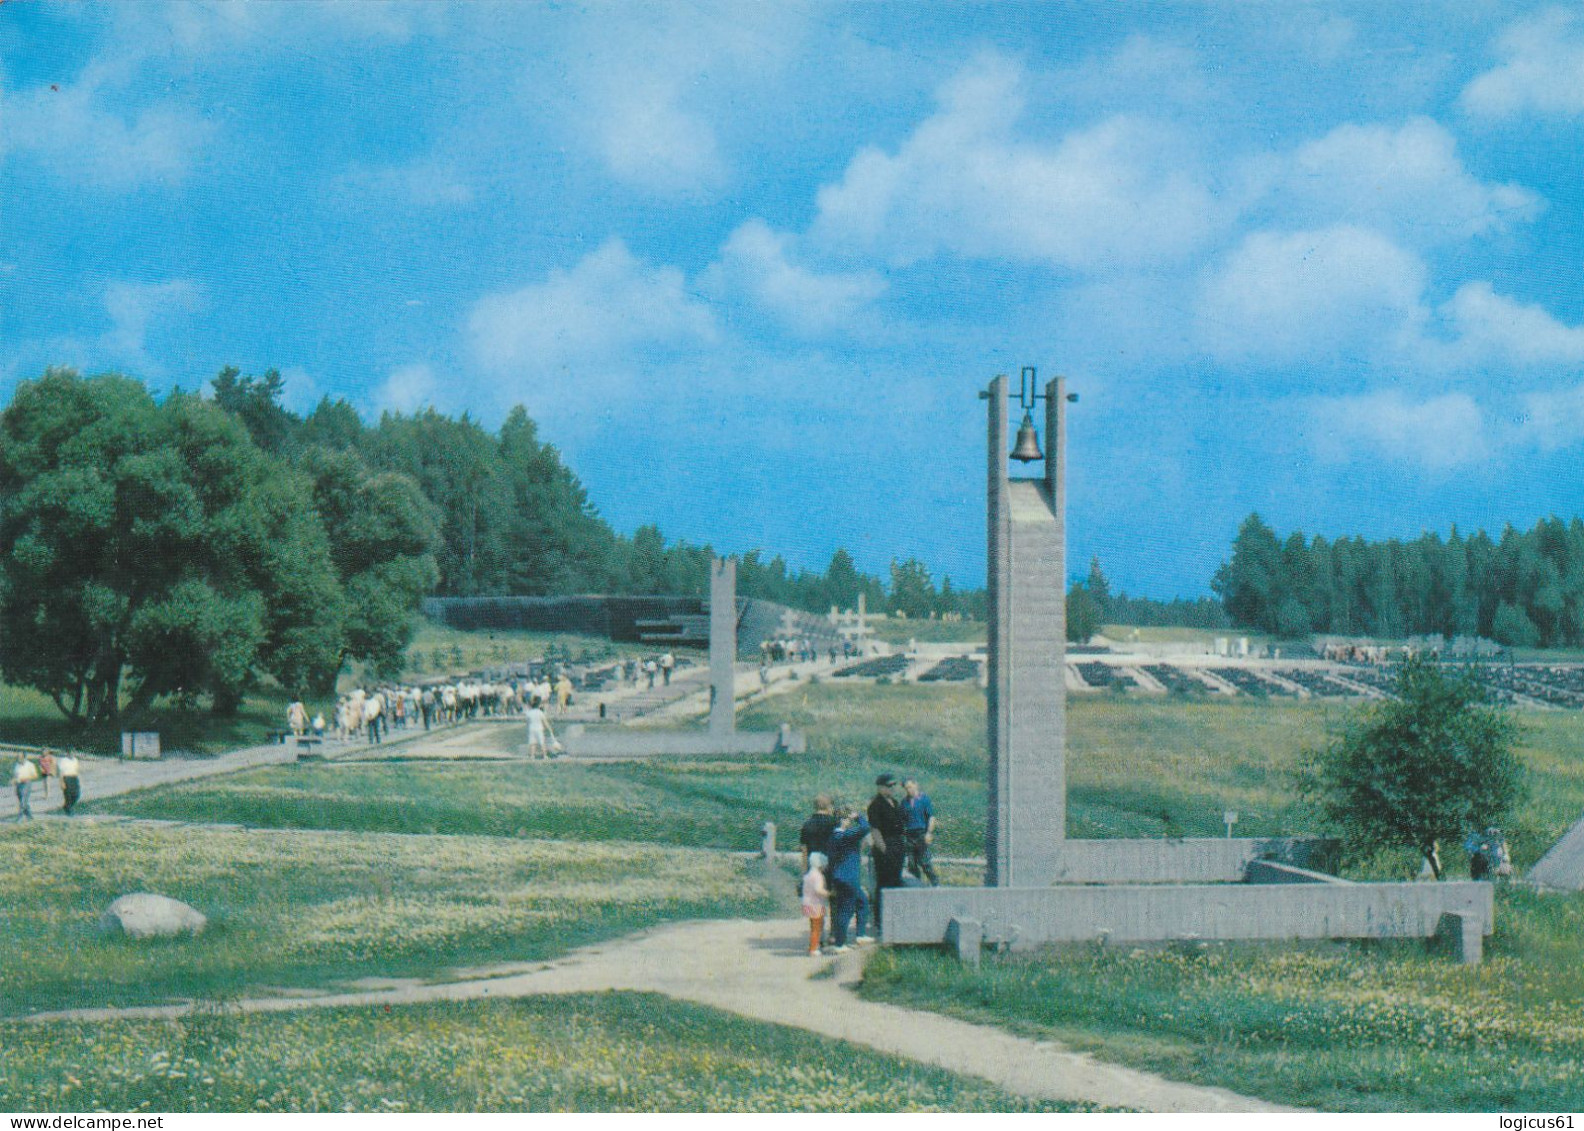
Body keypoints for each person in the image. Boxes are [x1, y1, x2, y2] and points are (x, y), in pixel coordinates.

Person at [825, 809, 873, 950]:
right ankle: (840, 944)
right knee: (845, 910)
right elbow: (865, 828)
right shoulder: (845, 836)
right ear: (843, 820)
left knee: (862, 901)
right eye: (847, 819)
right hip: (849, 877)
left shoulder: (832, 837)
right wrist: (858, 817)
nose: (849, 821)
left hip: (839, 877)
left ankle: (860, 935)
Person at [866, 772, 908, 928]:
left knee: (896, 881)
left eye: (893, 785)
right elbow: (875, 830)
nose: (892, 788)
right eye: (889, 786)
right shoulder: (876, 805)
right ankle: (880, 920)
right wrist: (884, 850)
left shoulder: (895, 803)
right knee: (884, 884)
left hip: (898, 845)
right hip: (885, 846)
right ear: (880, 787)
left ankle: (894, 918)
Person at [901, 778, 940, 886]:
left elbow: (931, 817)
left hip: (921, 834)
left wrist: (929, 833)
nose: (909, 790)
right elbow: (901, 820)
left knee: (925, 862)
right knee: (912, 864)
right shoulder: (904, 802)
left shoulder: (924, 799)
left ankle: (936, 884)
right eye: (906, 788)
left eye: (910, 787)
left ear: (915, 785)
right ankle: (916, 885)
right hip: (909, 835)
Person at [802, 852, 830, 957]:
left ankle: (812, 945)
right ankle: (813, 949)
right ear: (821, 865)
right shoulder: (818, 876)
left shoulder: (808, 875)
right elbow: (818, 890)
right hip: (816, 904)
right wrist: (828, 893)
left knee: (813, 926)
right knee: (817, 927)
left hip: (806, 903)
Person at [12, 752, 39, 820]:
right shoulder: (16, 765)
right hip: (19, 784)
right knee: (22, 800)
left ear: (24, 757)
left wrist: (26, 778)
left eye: (19, 757)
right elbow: (15, 775)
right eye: (17, 757)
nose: (18, 758)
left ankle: (19, 817)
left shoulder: (30, 765)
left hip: (26, 784)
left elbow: (35, 775)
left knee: (23, 800)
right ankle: (29, 816)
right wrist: (13, 780)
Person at [56, 751, 81, 816]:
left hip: (74, 778)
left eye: (73, 753)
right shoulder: (63, 761)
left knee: (77, 794)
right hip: (66, 778)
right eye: (70, 753)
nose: (72, 755)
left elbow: (76, 770)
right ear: (67, 754)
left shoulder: (75, 760)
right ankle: (69, 812)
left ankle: (67, 806)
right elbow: (60, 772)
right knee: (68, 796)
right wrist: (62, 782)